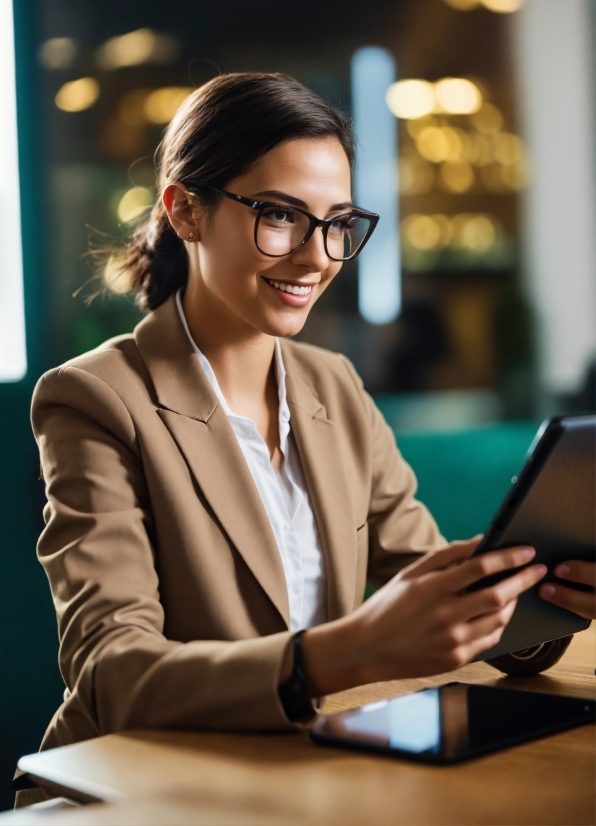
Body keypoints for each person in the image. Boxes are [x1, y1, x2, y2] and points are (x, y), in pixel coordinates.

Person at [28, 73, 595, 764]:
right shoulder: (95, 399)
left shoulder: (333, 386)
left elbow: (428, 577)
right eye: (279, 215)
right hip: (143, 785)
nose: (317, 256)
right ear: (185, 212)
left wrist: (542, 598)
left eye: (335, 223)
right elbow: (110, 674)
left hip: (302, 771)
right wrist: (348, 651)